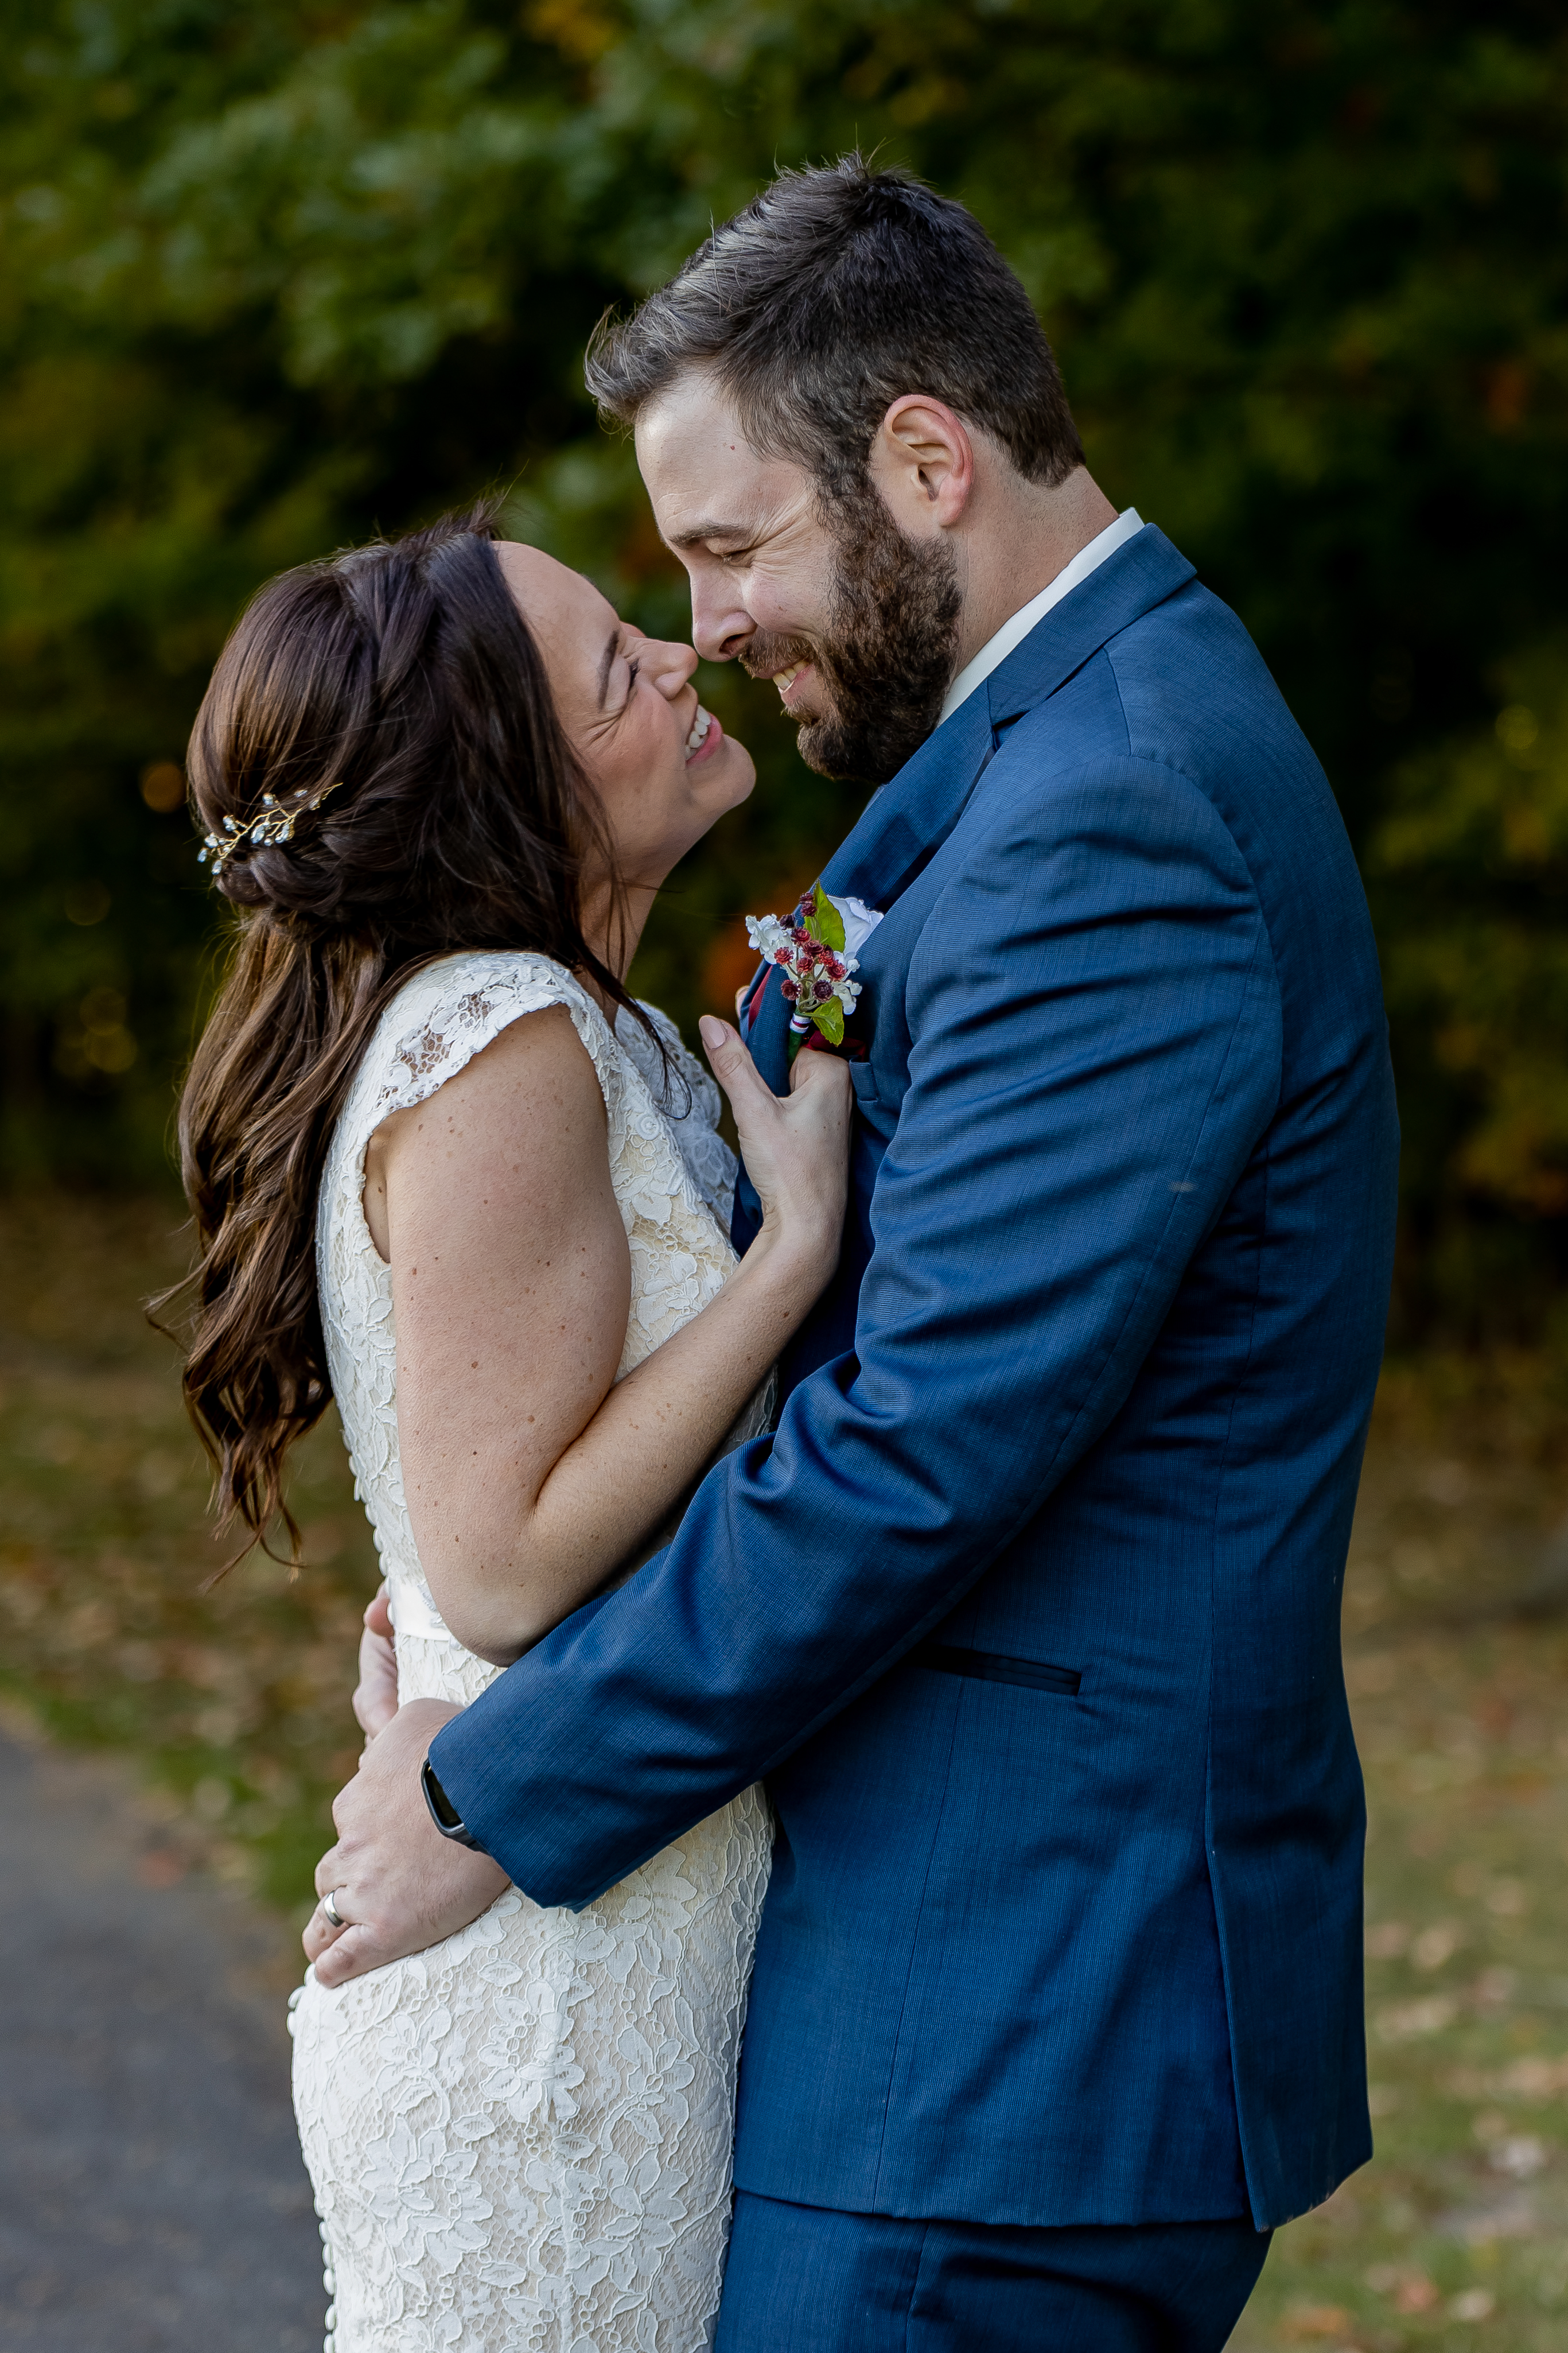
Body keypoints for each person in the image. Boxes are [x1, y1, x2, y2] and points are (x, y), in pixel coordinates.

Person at [312, 159, 1401, 2352]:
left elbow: (925, 1442)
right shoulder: (1023, 764)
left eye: (727, 547)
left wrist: (496, 1795)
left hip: (1010, 2023)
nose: (706, 622)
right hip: (946, 1990)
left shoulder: (1122, 815)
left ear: (926, 460)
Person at [170, 507, 851, 2348]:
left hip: (600, 1894)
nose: (682, 657)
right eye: (615, 675)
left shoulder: (570, 1020)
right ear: (505, 789)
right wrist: (791, 1260)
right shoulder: (501, 1032)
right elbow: (505, 1555)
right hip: (548, 1983)